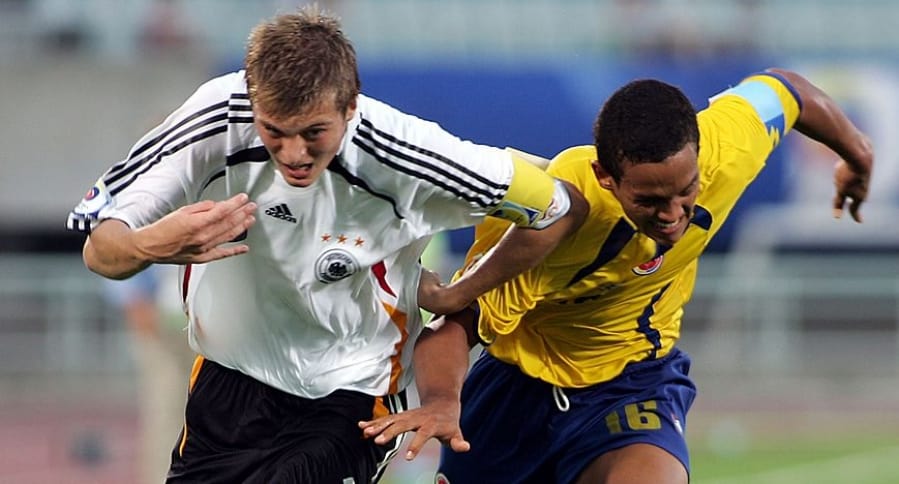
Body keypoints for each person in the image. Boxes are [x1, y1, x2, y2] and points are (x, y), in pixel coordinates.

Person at [65, 6, 586, 483]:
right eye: (275, 131)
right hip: (227, 384)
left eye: (313, 132)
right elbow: (101, 248)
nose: (292, 152)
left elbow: (560, 207)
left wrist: (462, 293)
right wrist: (153, 244)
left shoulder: (410, 155)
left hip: (351, 392)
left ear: (351, 106)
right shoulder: (214, 118)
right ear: (251, 97)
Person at [359, 68, 874, 483]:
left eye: (685, 191)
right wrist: (445, 401)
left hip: (631, 384)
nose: (674, 214)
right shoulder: (548, 216)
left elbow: (787, 91)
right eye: (649, 200)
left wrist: (857, 153)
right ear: (607, 178)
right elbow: (455, 320)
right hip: (513, 395)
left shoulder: (725, 146)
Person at [103, 265, 195, 484]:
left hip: (212, 324)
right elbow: (117, 245)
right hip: (163, 324)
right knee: (166, 415)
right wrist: (133, 299)